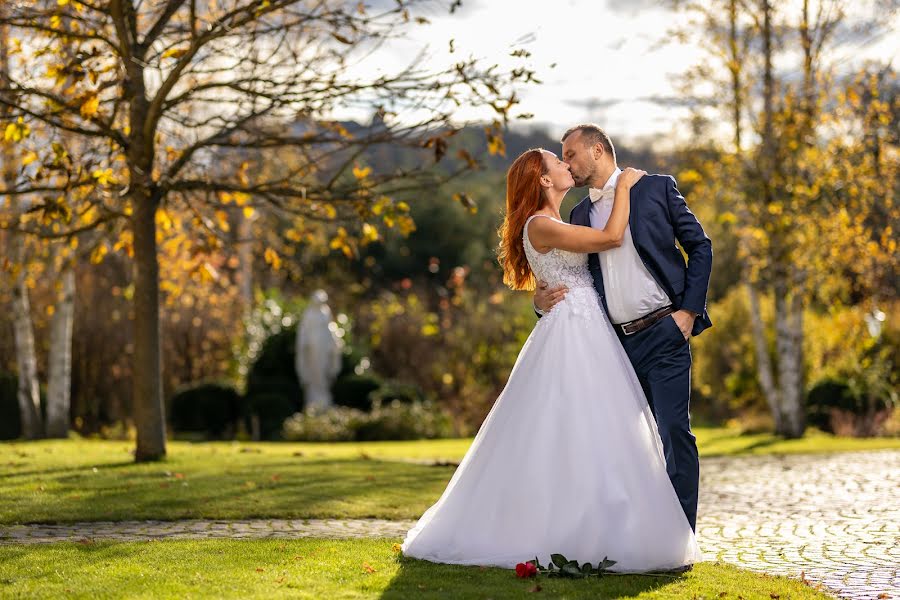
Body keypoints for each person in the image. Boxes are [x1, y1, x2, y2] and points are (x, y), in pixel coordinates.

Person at [400, 147, 700, 572]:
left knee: (607, 432)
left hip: (593, 329)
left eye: (568, 157)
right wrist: (627, 189)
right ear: (543, 179)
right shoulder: (542, 224)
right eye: (559, 162)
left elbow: (572, 276)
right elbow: (611, 239)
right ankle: (568, 529)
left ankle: (616, 525)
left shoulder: (562, 219)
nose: (567, 166)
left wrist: (542, 299)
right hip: (574, 333)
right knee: (575, 428)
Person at [535, 124, 713, 532]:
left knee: (673, 432)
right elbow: (569, 278)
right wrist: (539, 302)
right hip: (613, 345)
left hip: (666, 333)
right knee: (622, 444)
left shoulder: (656, 188)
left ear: (598, 151)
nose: (568, 163)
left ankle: (680, 537)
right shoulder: (580, 214)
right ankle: (632, 533)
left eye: (572, 154)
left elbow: (700, 245)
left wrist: (687, 312)